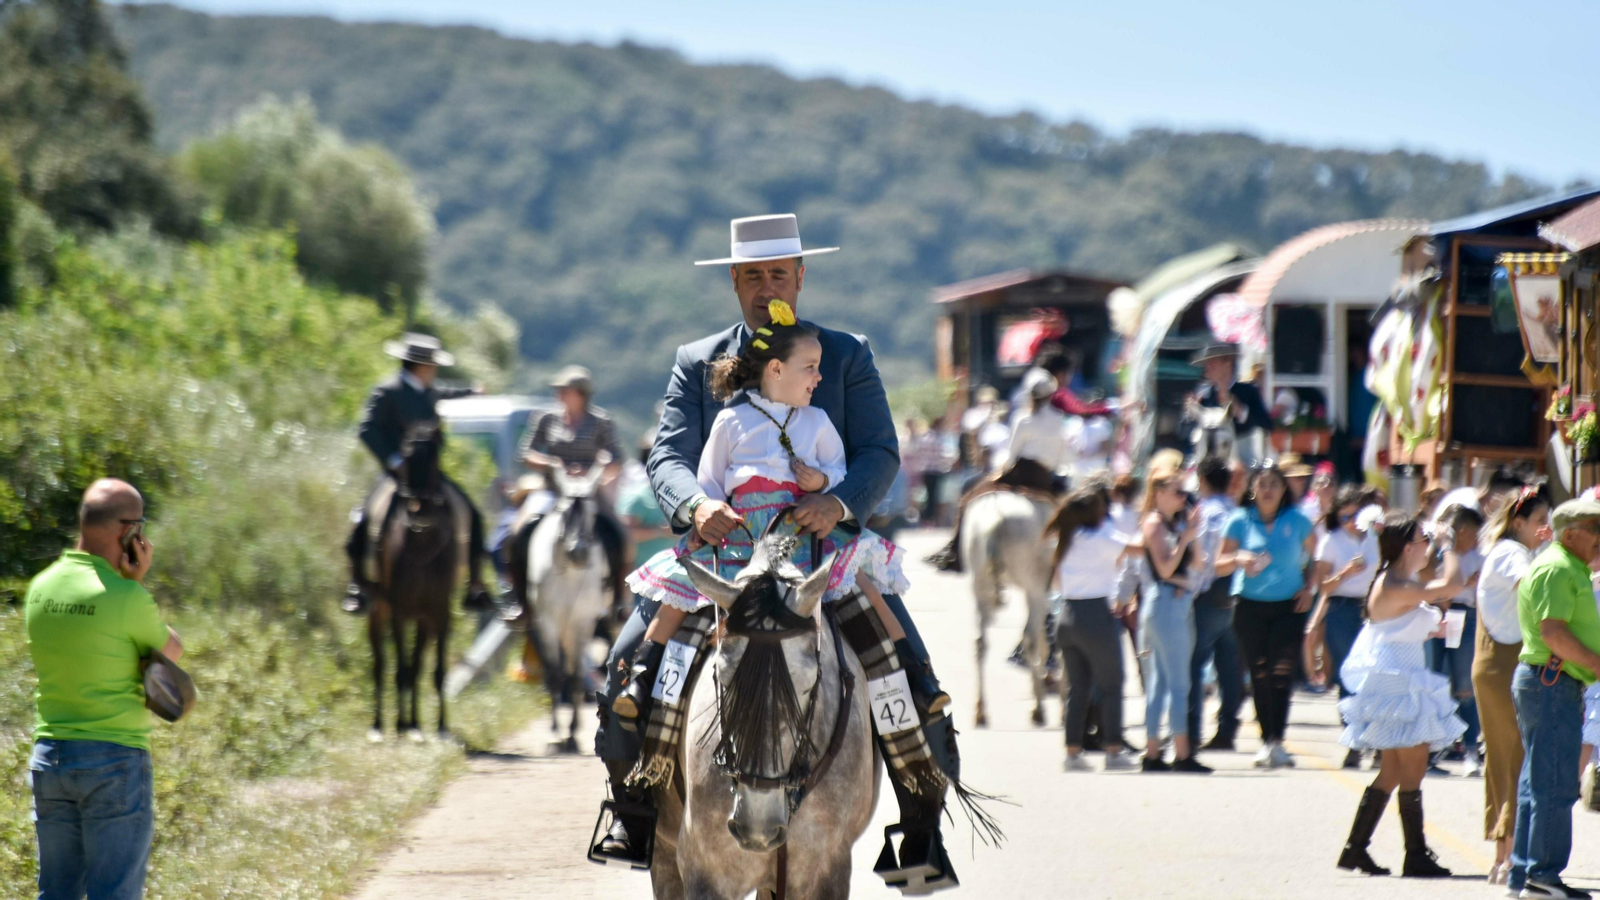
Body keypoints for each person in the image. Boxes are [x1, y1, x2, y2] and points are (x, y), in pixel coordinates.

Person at [594, 215, 956, 878]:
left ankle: (919, 826)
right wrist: (697, 503)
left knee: (910, 676)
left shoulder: (846, 354)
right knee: (628, 669)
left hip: (824, 557)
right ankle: (633, 807)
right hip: (722, 556)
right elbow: (670, 453)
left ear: (800, 275)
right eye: (754, 275)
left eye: (778, 274)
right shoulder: (696, 361)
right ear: (735, 281)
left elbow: (879, 450)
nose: (767, 286)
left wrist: (838, 501)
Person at [618, 301, 936, 716]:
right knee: (677, 598)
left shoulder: (818, 420)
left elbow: (841, 470)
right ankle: (641, 678)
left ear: (799, 276)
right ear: (775, 369)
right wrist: (703, 510)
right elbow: (709, 479)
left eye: (819, 367)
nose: (819, 377)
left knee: (865, 585)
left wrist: (823, 489)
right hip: (739, 538)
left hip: (806, 533)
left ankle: (916, 678)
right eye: (810, 368)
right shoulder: (729, 422)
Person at [27, 479, 185, 900]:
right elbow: (172, 649)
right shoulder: (125, 596)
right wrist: (135, 581)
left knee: (56, 892)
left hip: (49, 758)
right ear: (129, 532)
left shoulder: (40, 587)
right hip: (113, 760)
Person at [1334, 512, 1465, 878]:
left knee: (1392, 769)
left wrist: (1431, 630)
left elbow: (1401, 629)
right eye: (1423, 542)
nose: (1428, 547)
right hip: (1399, 679)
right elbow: (1451, 584)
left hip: (1398, 673)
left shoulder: (1396, 580)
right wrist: (1448, 544)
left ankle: (1355, 848)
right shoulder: (1393, 583)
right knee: (1413, 766)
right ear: (1409, 547)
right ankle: (1415, 853)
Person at [343, 333, 492, 615]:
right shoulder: (387, 391)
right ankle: (358, 585)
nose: (435, 371)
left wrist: (472, 390)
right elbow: (367, 430)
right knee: (362, 518)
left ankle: (475, 585)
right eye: (433, 366)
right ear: (422, 367)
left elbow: (447, 391)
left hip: (430, 475)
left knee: (472, 515)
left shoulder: (427, 390)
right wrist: (395, 460)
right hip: (398, 474)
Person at [1505, 498, 1600, 899]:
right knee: (1556, 784)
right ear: (1571, 533)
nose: (1599, 538)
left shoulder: (1566, 565)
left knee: (1538, 781)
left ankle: (1526, 876)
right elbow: (1554, 634)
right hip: (1552, 682)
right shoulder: (1559, 567)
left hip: (1551, 682)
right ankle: (1542, 877)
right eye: (1594, 529)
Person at [505, 365, 626, 621]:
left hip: (588, 492)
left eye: (565, 391)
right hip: (552, 490)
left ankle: (616, 601)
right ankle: (519, 599)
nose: (559, 395)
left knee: (619, 535)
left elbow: (617, 458)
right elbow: (525, 453)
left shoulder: (601, 421)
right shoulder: (545, 418)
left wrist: (597, 472)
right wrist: (551, 464)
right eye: (559, 391)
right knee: (517, 532)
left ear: (581, 394)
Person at [1216, 463, 1317, 768]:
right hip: (1249, 606)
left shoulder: (1298, 520)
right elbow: (1218, 564)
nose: (1268, 490)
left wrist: (1309, 587)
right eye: (1262, 484)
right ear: (1252, 489)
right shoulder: (1238, 521)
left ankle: (1277, 741)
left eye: (1274, 484)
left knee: (1281, 673)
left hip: (1289, 606)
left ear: (1284, 488)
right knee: (1259, 673)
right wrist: (1238, 558)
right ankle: (1266, 741)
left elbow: (1315, 557)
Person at [1474, 487, 1549, 886]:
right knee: (1515, 758)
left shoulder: (1509, 551)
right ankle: (1507, 857)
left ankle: (1502, 855)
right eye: (1539, 522)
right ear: (1518, 522)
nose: (1545, 529)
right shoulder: (1512, 554)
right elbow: (1535, 591)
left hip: (1494, 660)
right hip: (1506, 662)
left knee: (1502, 758)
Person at [929, 367, 1067, 571]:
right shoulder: (1059, 418)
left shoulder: (1023, 418)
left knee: (969, 497)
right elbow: (1062, 451)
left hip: (1021, 475)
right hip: (1047, 478)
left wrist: (1000, 471)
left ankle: (955, 551)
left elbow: (1011, 454)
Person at [1048, 487, 1138, 772]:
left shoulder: (1066, 539)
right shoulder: (1101, 538)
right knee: (1111, 685)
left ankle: (1072, 753)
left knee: (1078, 688)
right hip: (1096, 614)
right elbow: (1138, 549)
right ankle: (1113, 750)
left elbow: (1056, 585)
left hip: (1067, 615)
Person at [1137, 463, 1211, 773]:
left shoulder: (1174, 525)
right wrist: (1184, 539)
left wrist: (1190, 534)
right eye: (1178, 492)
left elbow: (1197, 562)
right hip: (1165, 604)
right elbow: (1166, 569)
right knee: (1179, 684)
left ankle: (1153, 753)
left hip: (1170, 604)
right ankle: (1181, 753)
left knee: (1161, 682)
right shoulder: (1154, 524)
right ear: (1159, 494)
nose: (1184, 498)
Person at [1308, 485, 1382, 768]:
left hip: (1373, 608)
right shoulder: (1331, 541)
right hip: (1341, 608)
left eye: (1355, 515)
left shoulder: (1375, 538)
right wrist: (1345, 572)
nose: (1350, 522)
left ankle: (1377, 743)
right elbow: (1322, 585)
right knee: (1349, 676)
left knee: (1376, 676)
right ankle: (1353, 741)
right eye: (1344, 516)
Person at [1187, 456, 1245, 752]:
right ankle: (1227, 730)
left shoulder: (1205, 514)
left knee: (1195, 665)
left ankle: (1191, 732)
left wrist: (1191, 593)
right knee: (1230, 667)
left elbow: (1204, 562)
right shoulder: (1239, 512)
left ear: (1203, 480)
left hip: (1208, 594)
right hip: (1236, 594)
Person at [1427, 504, 1485, 775]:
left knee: (1464, 685)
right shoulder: (1437, 553)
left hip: (1465, 616)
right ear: (1460, 531)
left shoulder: (1479, 556)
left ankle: (1470, 748)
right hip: (1435, 615)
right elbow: (1436, 587)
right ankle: (1430, 749)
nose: (1475, 540)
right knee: (1433, 680)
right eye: (1472, 534)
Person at [1180, 343, 1272, 465]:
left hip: (1244, 461)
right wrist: (1190, 413)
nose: (1207, 369)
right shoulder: (1205, 396)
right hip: (1209, 463)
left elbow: (1266, 424)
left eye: (1212, 364)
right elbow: (1185, 434)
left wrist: (1239, 409)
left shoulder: (1247, 391)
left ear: (1227, 363)